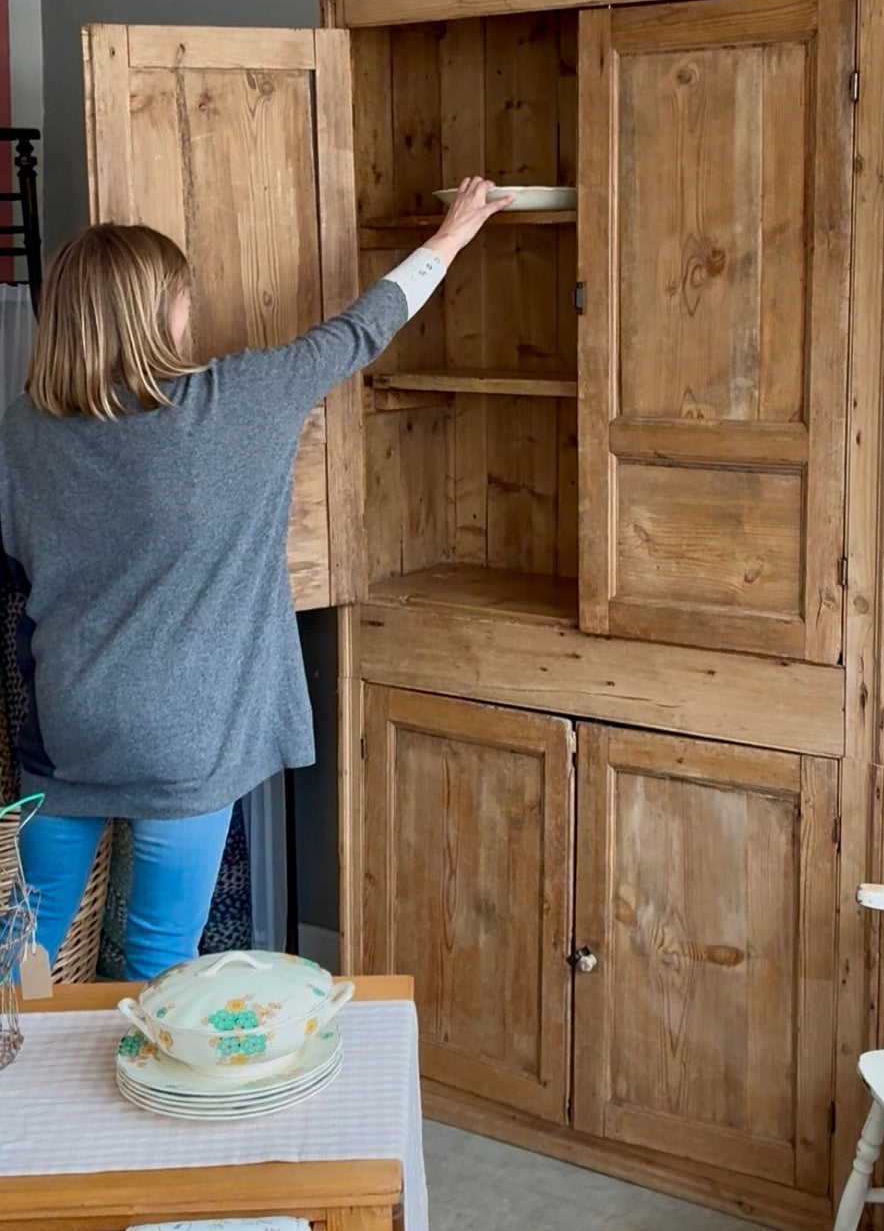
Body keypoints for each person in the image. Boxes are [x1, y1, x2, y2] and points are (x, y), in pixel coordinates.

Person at [0, 177, 507, 979]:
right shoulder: (232, 403)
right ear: (157, 307)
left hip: (68, 726)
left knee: (18, 948)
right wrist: (453, 234)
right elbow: (362, 329)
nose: (190, 312)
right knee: (160, 956)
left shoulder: (21, 431)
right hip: (187, 736)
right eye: (182, 296)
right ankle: (150, 1097)